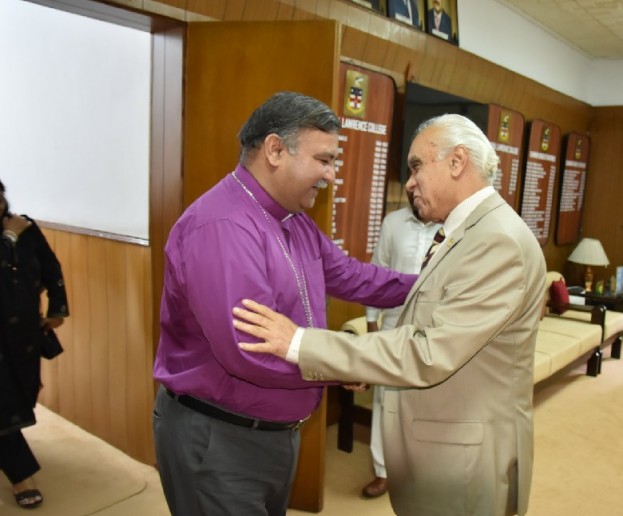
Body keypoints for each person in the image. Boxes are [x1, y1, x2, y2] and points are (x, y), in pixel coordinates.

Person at [233, 113, 548, 515]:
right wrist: (359, 361)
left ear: (457, 162)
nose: (410, 182)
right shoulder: (472, 231)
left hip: (464, 461)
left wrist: (300, 342)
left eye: (417, 166)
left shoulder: (496, 241)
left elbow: (428, 352)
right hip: (443, 447)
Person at [152, 91, 416, 516]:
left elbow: (353, 276)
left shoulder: (293, 220)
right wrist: (343, 363)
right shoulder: (223, 226)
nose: (331, 175)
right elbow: (249, 352)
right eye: (324, 160)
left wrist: (433, 283)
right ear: (275, 150)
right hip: (221, 440)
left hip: (272, 433)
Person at [360, 188, 441, 499]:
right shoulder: (393, 223)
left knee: (426, 400)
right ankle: (382, 471)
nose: (416, 191)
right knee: (385, 401)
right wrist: (371, 322)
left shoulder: (452, 226)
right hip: (393, 324)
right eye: (412, 187)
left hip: (434, 327)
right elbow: (377, 272)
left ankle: (419, 470)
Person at [0, 180, 69, 509]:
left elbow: (51, 268)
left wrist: (58, 308)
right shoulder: (13, 233)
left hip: (23, 334)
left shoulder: (25, 227)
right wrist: (8, 239)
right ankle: (22, 476)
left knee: (22, 395)